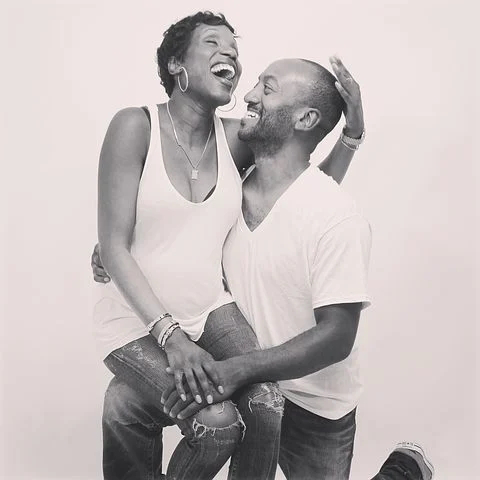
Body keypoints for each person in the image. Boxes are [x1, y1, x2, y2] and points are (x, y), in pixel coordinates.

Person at [93, 11, 363, 480]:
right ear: (176, 64)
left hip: (210, 311)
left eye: (234, 50)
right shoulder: (135, 126)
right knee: (216, 425)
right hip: (138, 322)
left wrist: (351, 136)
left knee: (266, 404)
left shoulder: (235, 138)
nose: (230, 55)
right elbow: (114, 245)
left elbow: (299, 185)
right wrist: (170, 335)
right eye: (212, 44)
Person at [159, 58, 434, 480]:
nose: (248, 95)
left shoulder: (337, 218)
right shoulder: (228, 191)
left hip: (313, 407)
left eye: (267, 88)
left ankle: (403, 471)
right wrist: (119, 245)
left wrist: (239, 369)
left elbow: (336, 337)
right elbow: (176, 231)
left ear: (305, 119)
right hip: (248, 389)